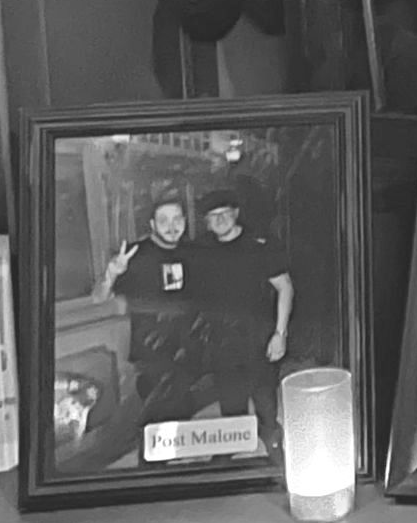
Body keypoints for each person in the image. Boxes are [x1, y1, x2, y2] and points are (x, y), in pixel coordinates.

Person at [190, 184, 293, 450]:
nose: (220, 220)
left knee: (265, 403)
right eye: (213, 216)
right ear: (206, 223)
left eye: (224, 213)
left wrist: (280, 334)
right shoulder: (201, 250)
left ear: (236, 213)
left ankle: (273, 449)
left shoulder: (259, 245)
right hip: (221, 339)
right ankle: (230, 453)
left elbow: (285, 287)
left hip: (258, 336)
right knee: (230, 404)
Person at [100, 194, 210, 428]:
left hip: (187, 355)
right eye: (163, 220)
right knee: (155, 424)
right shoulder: (135, 255)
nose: (172, 227)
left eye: (177, 219)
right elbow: (98, 297)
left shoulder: (194, 252)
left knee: (182, 420)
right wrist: (112, 273)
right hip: (152, 356)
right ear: (152, 224)